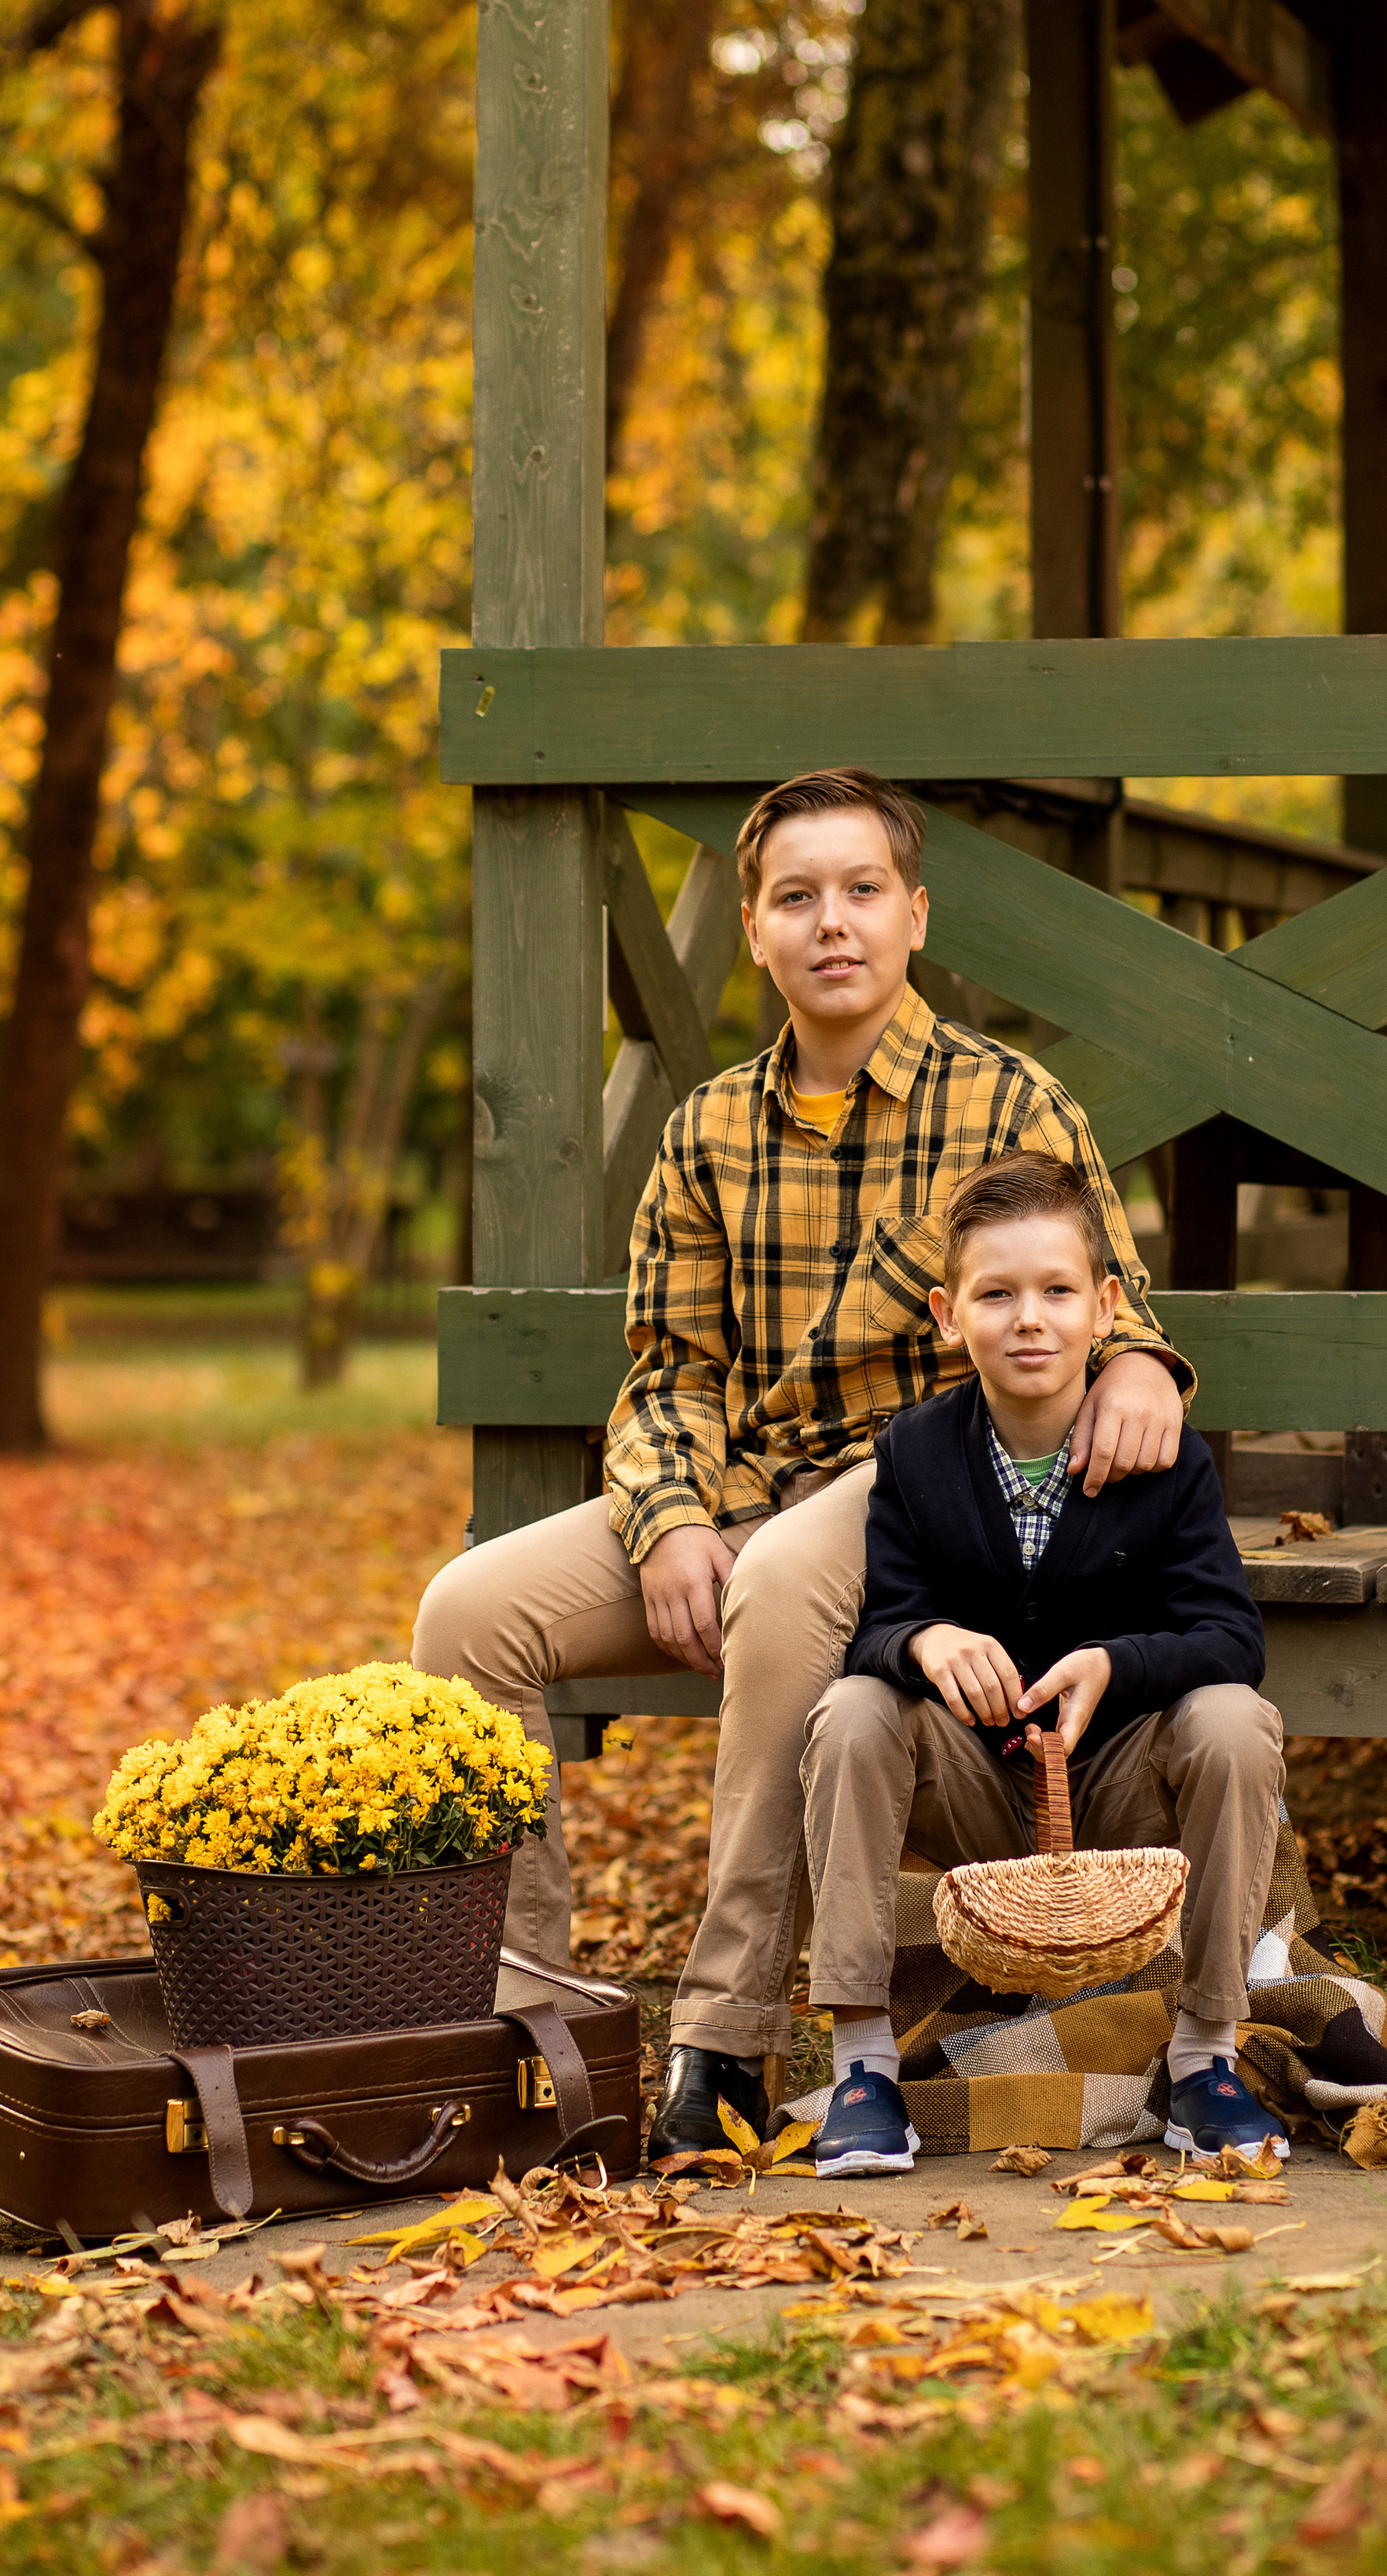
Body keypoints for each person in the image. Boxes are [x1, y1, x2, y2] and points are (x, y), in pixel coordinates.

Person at [413, 767, 1191, 2160]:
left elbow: (1110, 1301)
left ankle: (720, 2040)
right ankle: (524, 2012)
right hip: (740, 1486)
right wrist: (661, 1520)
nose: (832, 923)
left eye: (862, 890)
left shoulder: (1010, 1105)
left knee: (775, 1578)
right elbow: (671, 1374)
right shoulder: (706, 1132)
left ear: (914, 915)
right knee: (466, 1612)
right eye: (795, 898)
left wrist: (1139, 1362)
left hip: (915, 1493)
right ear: (761, 935)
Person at [800, 1148, 1286, 2178]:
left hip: (1120, 1802)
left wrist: (1117, 1663)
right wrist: (924, 1642)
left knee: (1236, 1719)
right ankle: (863, 2068)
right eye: (997, 1294)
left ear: (1105, 1306)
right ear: (946, 1313)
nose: (1030, 1318)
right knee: (851, 1708)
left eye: (1058, 1291)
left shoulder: (1167, 1456)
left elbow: (1229, 1637)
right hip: (979, 1794)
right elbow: (878, 1625)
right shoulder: (917, 1453)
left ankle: (1206, 2057)